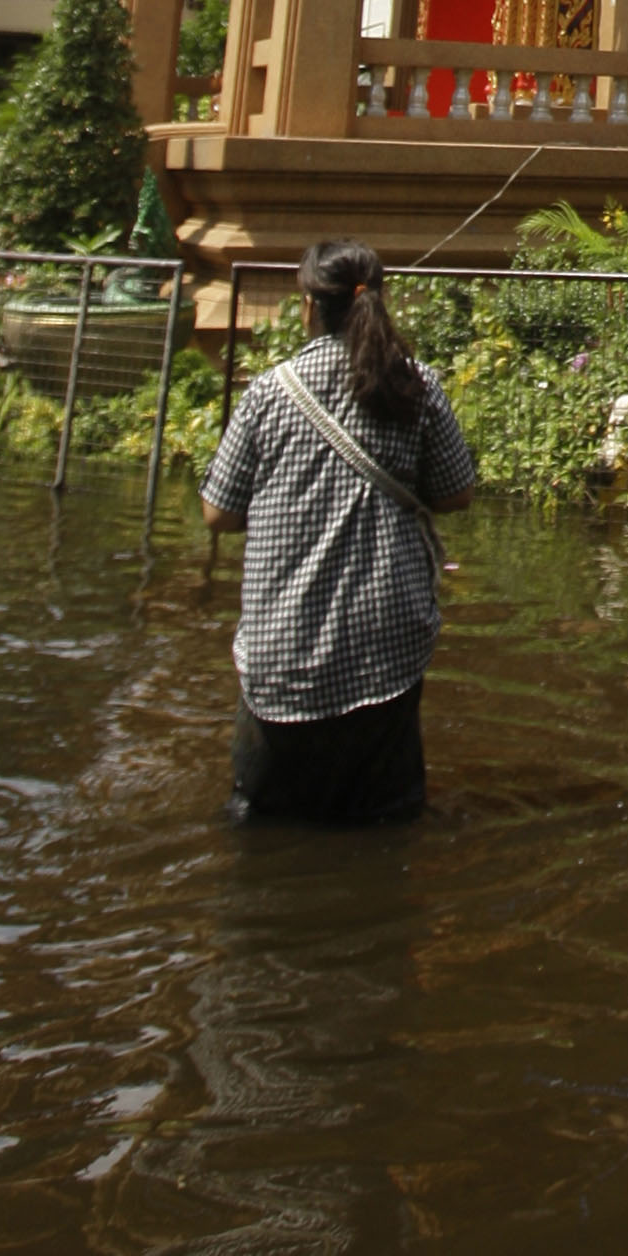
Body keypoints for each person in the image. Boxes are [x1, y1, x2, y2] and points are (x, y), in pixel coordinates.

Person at [201, 237, 478, 826]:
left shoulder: (268, 392)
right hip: (385, 657)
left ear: (307, 305)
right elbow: (457, 493)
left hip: (281, 661)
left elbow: (218, 513)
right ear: (379, 300)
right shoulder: (416, 386)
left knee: (261, 826)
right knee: (387, 824)